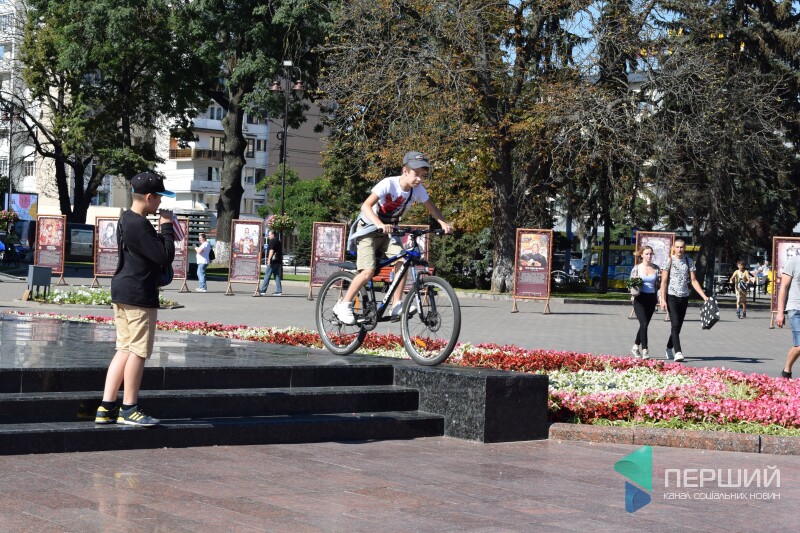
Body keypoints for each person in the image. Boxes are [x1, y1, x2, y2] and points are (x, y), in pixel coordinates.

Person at [334, 151, 454, 324]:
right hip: (368, 229)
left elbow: (432, 207)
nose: (419, 179)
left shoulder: (417, 190)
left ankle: (396, 304)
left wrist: (443, 223)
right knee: (367, 271)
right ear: (405, 171)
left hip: (389, 231)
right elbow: (366, 206)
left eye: (422, 175)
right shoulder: (388, 184)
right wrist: (379, 224)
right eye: (416, 174)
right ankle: (344, 305)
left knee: (403, 261)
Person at [95, 172, 175, 427]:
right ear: (149, 197)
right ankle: (129, 408)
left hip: (124, 289)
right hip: (139, 293)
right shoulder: (139, 224)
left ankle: (106, 407)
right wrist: (167, 227)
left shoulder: (126, 219)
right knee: (139, 351)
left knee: (125, 348)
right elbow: (164, 256)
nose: (160, 203)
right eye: (159, 197)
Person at [659, 239, 709, 362]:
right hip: (671, 296)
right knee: (675, 324)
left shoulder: (688, 261)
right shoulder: (669, 261)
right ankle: (678, 352)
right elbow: (663, 282)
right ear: (673, 248)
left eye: (681, 247)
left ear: (684, 248)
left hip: (684, 296)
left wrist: (704, 296)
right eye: (677, 247)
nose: (679, 249)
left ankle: (669, 347)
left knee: (678, 326)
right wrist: (663, 299)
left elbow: (694, 280)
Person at [629, 245, 660, 360]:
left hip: (651, 298)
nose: (649, 256)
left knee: (644, 324)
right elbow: (630, 284)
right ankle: (645, 350)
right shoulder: (637, 268)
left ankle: (635, 346)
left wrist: (660, 297)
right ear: (642, 255)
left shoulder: (656, 268)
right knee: (644, 324)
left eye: (651, 254)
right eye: (647, 254)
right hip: (639, 298)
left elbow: (659, 285)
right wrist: (634, 281)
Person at [776, 252, 800, 378]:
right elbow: (783, 287)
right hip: (795, 308)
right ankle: (787, 370)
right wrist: (780, 312)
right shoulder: (794, 262)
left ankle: (786, 372)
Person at [257, 229, 283, 296]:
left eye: (269, 235)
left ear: (273, 234)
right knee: (277, 275)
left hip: (273, 261)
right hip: (278, 260)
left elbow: (271, 250)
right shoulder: (278, 241)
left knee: (267, 275)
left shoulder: (272, 241)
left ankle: (263, 291)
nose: (268, 236)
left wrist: (269, 259)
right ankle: (279, 290)